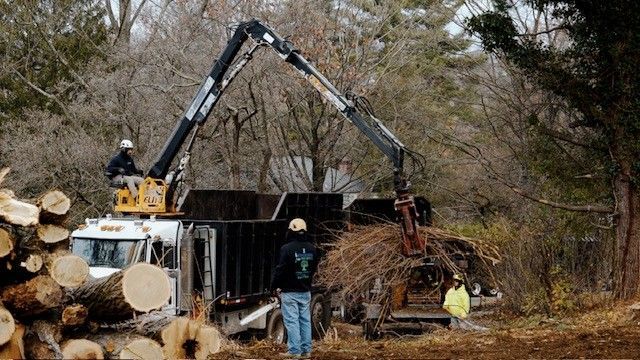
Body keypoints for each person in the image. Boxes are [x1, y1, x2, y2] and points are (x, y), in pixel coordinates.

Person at [271, 218, 318, 359]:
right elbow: (313, 269)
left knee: (292, 322)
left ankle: (294, 351)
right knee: (305, 321)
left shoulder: (286, 249)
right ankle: (306, 351)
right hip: (305, 291)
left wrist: (273, 286)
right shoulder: (312, 249)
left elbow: (280, 270)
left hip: (290, 292)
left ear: (291, 231)